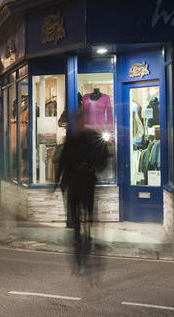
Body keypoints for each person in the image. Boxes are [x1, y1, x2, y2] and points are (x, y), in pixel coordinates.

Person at [55, 108, 109, 274]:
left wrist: (95, 167)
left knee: (90, 219)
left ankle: (88, 241)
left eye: (80, 121)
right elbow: (62, 162)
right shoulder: (71, 141)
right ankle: (78, 258)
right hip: (72, 186)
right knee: (76, 224)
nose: (77, 124)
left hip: (87, 184)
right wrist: (57, 183)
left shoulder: (92, 137)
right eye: (75, 122)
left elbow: (103, 158)